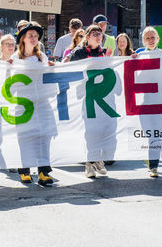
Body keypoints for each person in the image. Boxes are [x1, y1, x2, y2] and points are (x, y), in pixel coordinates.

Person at [9, 22, 55, 186]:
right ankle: (25, 170)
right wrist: (8, 68)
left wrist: (51, 69)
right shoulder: (15, 58)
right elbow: (9, 82)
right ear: (23, 39)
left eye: (36, 36)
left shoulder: (42, 57)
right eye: (30, 35)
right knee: (25, 136)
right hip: (23, 103)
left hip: (42, 102)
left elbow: (48, 79)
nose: (34, 38)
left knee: (43, 136)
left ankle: (43, 172)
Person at [65, 25, 111, 178]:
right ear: (87, 37)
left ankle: (97, 159)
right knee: (88, 131)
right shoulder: (79, 53)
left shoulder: (105, 53)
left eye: (100, 34)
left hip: (101, 98)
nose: (98, 36)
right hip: (85, 97)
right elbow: (70, 68)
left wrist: (110, 60)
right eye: (94, 34)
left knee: (101, 130)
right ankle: (88, 164)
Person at [132, 26, 162, 178]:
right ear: (143, 41)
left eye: (153, 37)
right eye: (147, 38)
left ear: (158, 38)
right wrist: (131, 62)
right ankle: (152, 161)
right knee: (150, 134)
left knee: (156, 134)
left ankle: (153, 166)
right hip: (146, 103)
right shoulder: (139, 56)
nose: (151, 40)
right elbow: (134, 79)